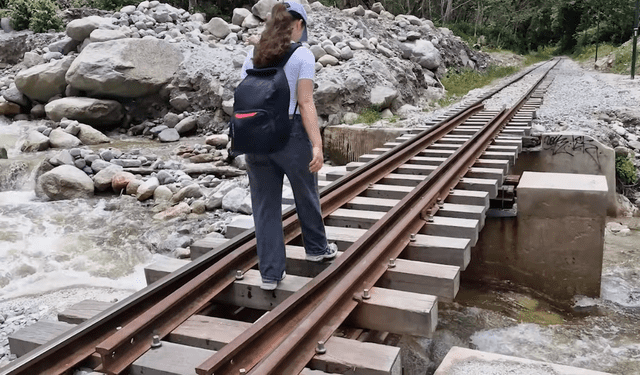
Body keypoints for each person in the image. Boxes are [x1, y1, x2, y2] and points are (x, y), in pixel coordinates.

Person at [240, 1, 337, 291]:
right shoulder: (303, 55)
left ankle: (270, 274)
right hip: (290, 134)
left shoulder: (253, 53)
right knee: (306, 193)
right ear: (298, 25)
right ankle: (317, 250)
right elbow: (306, 102)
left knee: (265, 206)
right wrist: (317, 145)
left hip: (255, 137)